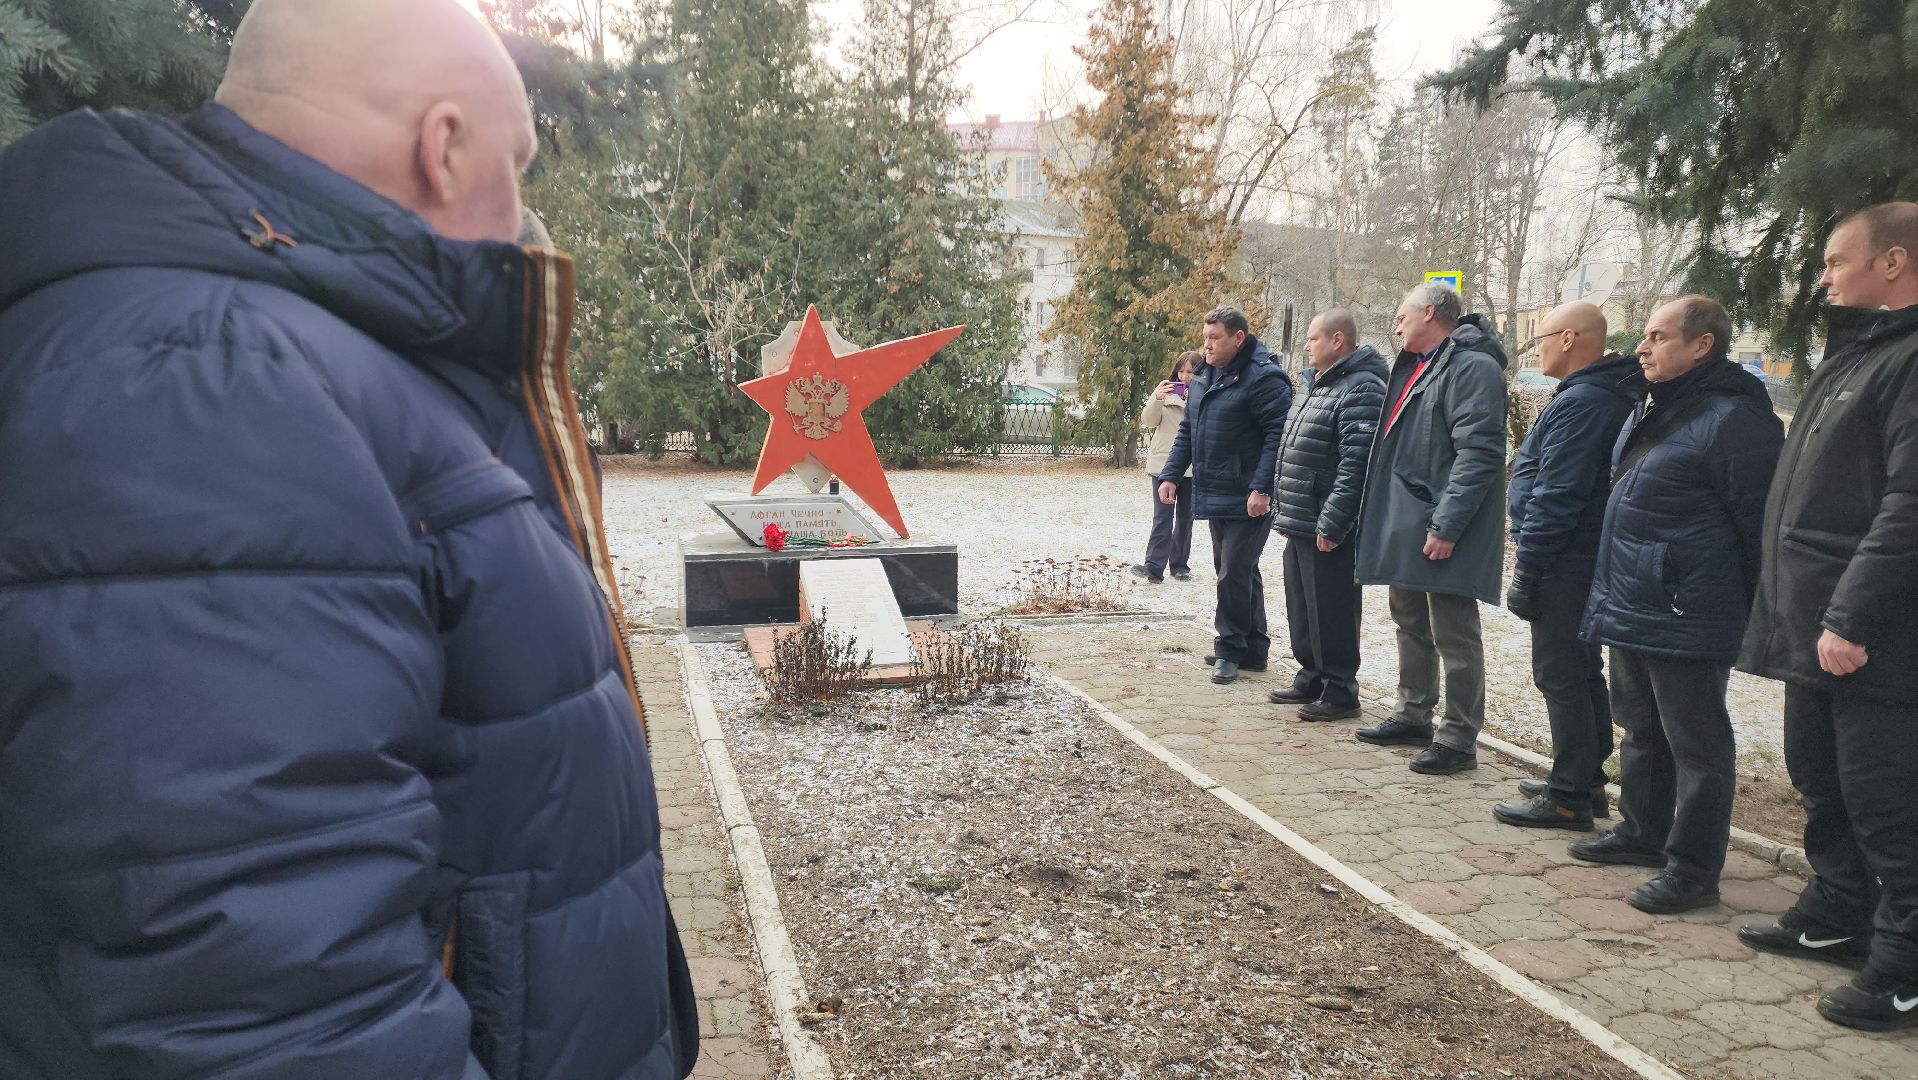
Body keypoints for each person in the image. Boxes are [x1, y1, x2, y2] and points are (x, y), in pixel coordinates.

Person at [0, 1, 698, 1077]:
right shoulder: (208, 379)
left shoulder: (273, 350)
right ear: (445, 144)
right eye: (517, 169)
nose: (524, 222)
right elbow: (263, 994)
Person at [1737, 203, 1918, 1031]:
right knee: (1822, 781)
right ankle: (1838, 912)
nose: (1824, 278)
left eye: (1835, 260)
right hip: (1816, 624)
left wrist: (1851, 615)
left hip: (1877, 637)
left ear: (1893, 262)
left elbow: (1910, 504)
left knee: (1889, 803)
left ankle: (1904, 968)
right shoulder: (1858, 356)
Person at [1570, 296, 1783, 916]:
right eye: (1645, 336)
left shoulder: (1735, 421)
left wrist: (1734, 605)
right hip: (1636, 601)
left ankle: (1693, 869)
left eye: (1659, 337)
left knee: (1697, 745)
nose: (1642, 346)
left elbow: (1756, 527)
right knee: (1639, 726)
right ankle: (1642, 833)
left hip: (1689, 608)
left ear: (1701, 347)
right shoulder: (1660, 407)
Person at [1352, 283, 1509, 775]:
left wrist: (1447, 525)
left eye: (1402, 315)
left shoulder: (1471, 367)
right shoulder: (1420, 365)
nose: (1395, 325)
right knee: (1410, 622)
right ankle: (1413, 714)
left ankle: (1459, 739)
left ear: (1432, 313)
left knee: (1454, 635)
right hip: (1407, 521)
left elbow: (1479, 454)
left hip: (1441, 527)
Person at [1494, 303, 1639, 830]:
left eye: (1544, 338)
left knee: (1561, 674)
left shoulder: (1587, 401)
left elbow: (1558, 493)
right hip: (1577, 555)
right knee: (1577, 670)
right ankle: (1586, 778)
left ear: (1571, 338)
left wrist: (1529, 570)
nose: (1540, 348)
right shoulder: (1591, 394)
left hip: (1567, 559)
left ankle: (1568, 796)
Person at [1159, 307, 1293, 684]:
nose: (1207, 344)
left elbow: (1276, 437)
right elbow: (1188, 429)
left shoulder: (1264, 378)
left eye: (1215, 338)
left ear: (1238, 338)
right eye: (1205, 336)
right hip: (1215, 488)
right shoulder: (1204, 374)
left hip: (1250, 493)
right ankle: (1254, 648)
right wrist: (1171, 474)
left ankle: (1229, 648)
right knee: (1237, 569)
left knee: (1233, 568)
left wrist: (1263, 487)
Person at [1269, 309, 1387, 721]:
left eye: (1313, 338)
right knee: (1302, 604)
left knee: (1332, 607)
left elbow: (1356, 464)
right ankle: (1313, 673)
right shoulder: (1314, 385)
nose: (1306, 346)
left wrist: (1335, 521)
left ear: (1338, 341)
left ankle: (1340, 688)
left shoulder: (1361, 389)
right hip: (1300, 514)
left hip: (1326, 520)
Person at [1134, 351, 1200, 583]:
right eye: (1181, 371)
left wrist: (1197, 398)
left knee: (1185, 517)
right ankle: (1153, 567)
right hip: (1163, 464)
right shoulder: (1164, 394)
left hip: (1192, 466)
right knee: (1162, 517)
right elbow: (1149, 421)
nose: (1184, 376)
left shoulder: (1205, 394)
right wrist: (1157, 397)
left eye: (1190, 372)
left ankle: (1180, 565)